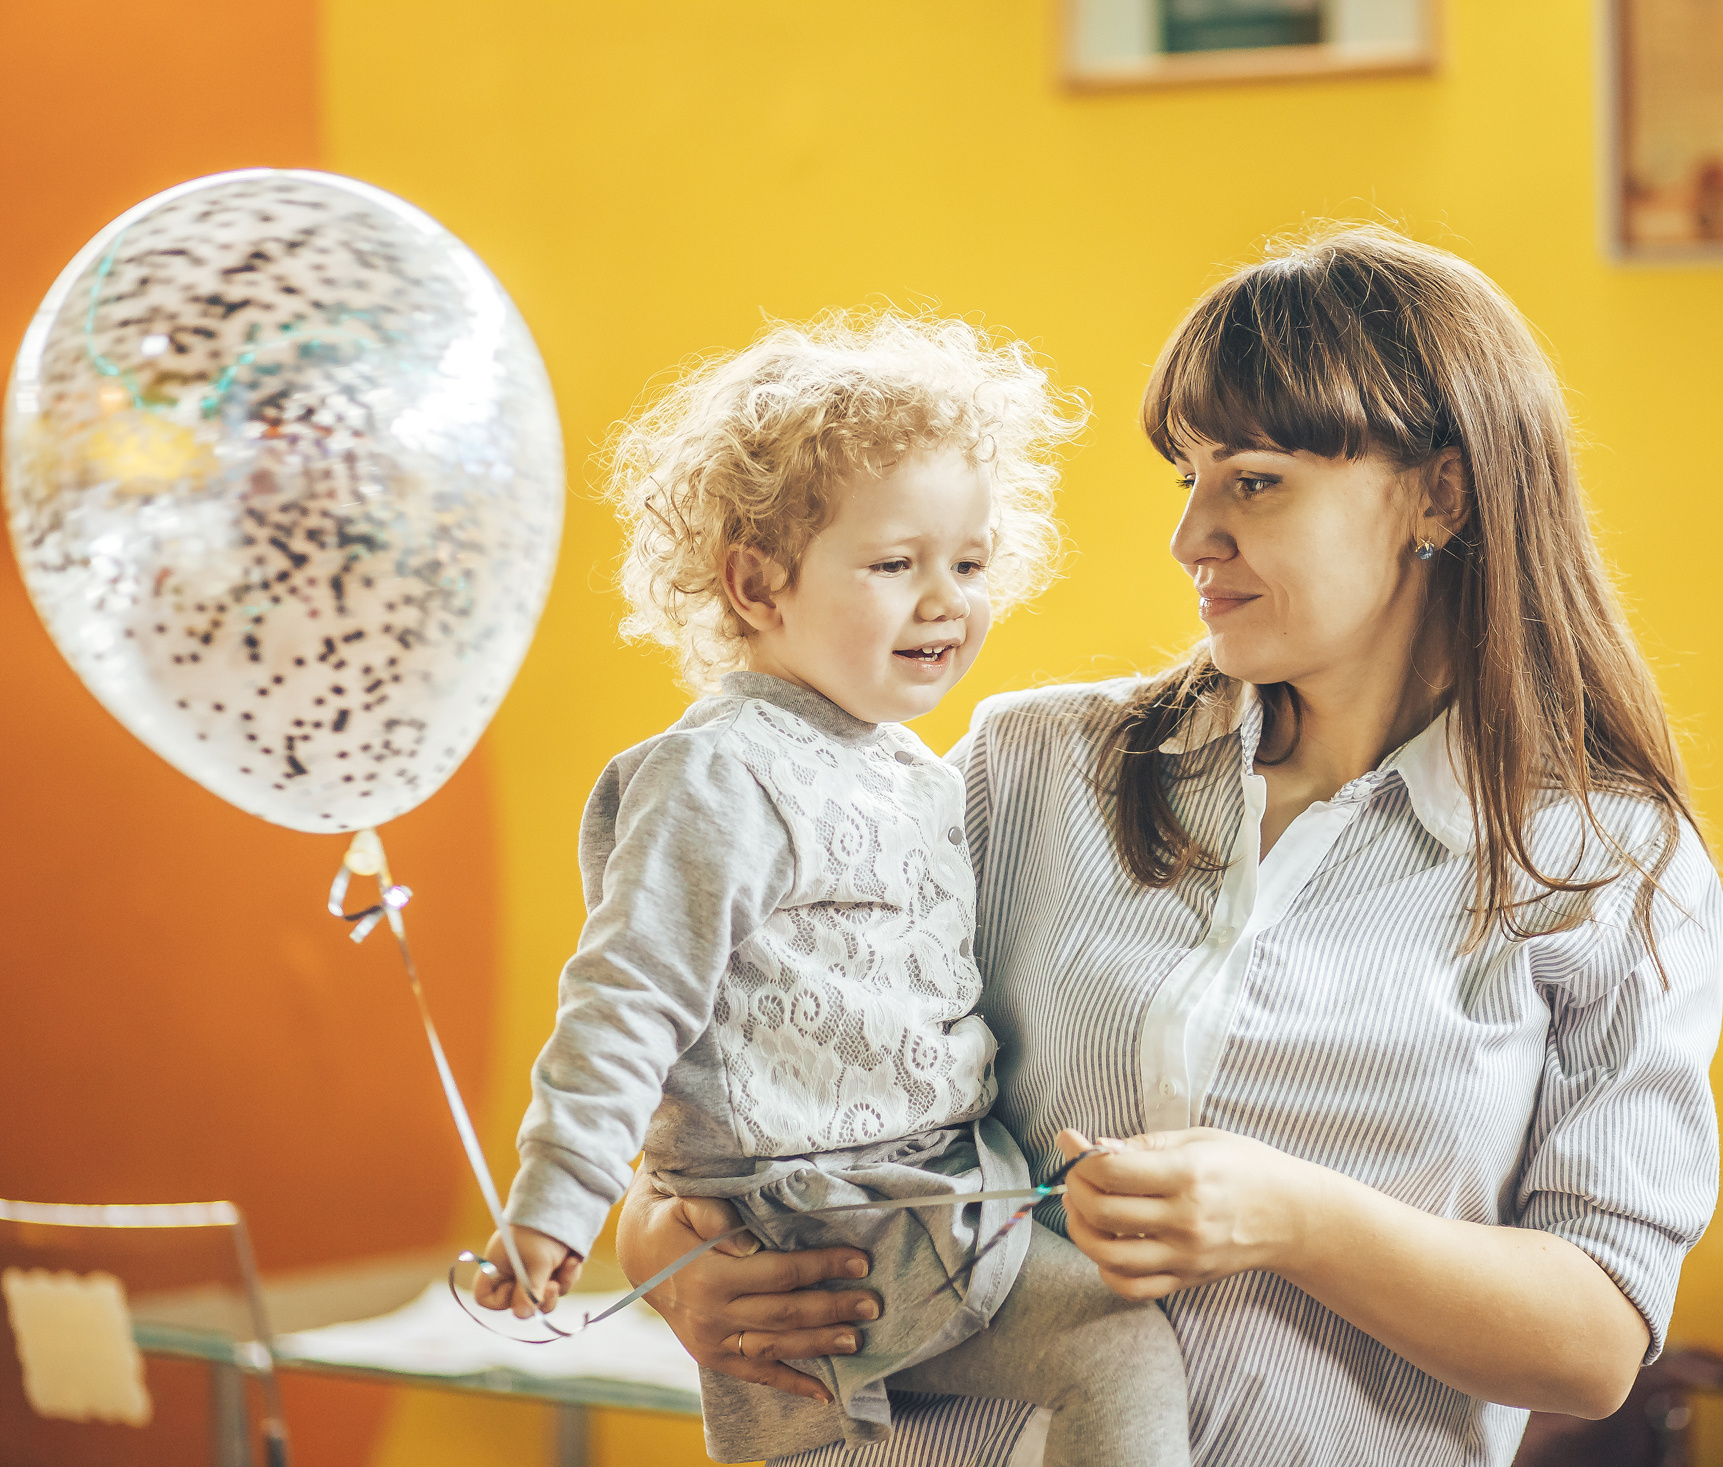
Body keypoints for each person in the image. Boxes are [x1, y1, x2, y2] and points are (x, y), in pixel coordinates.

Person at [617, 224, 1723, 1466]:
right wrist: (661, 1251)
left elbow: (1594, 1348)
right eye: (1187, 479)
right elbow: (772, 1070)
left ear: (1440, 493)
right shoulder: (1032, 765)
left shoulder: (1600, 862)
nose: (1190, 536)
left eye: (1253, 480)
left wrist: (1294, 1218)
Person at [471, 312, 1192, 1466]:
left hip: (922, 1191)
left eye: (967, 563)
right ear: (758, 583)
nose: (944, 600)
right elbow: (626, 998)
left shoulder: (905, 767)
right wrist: (560, 1201)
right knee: (1115, 1346)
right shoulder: (719, 771)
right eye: (894, 564)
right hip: (827, 1213)